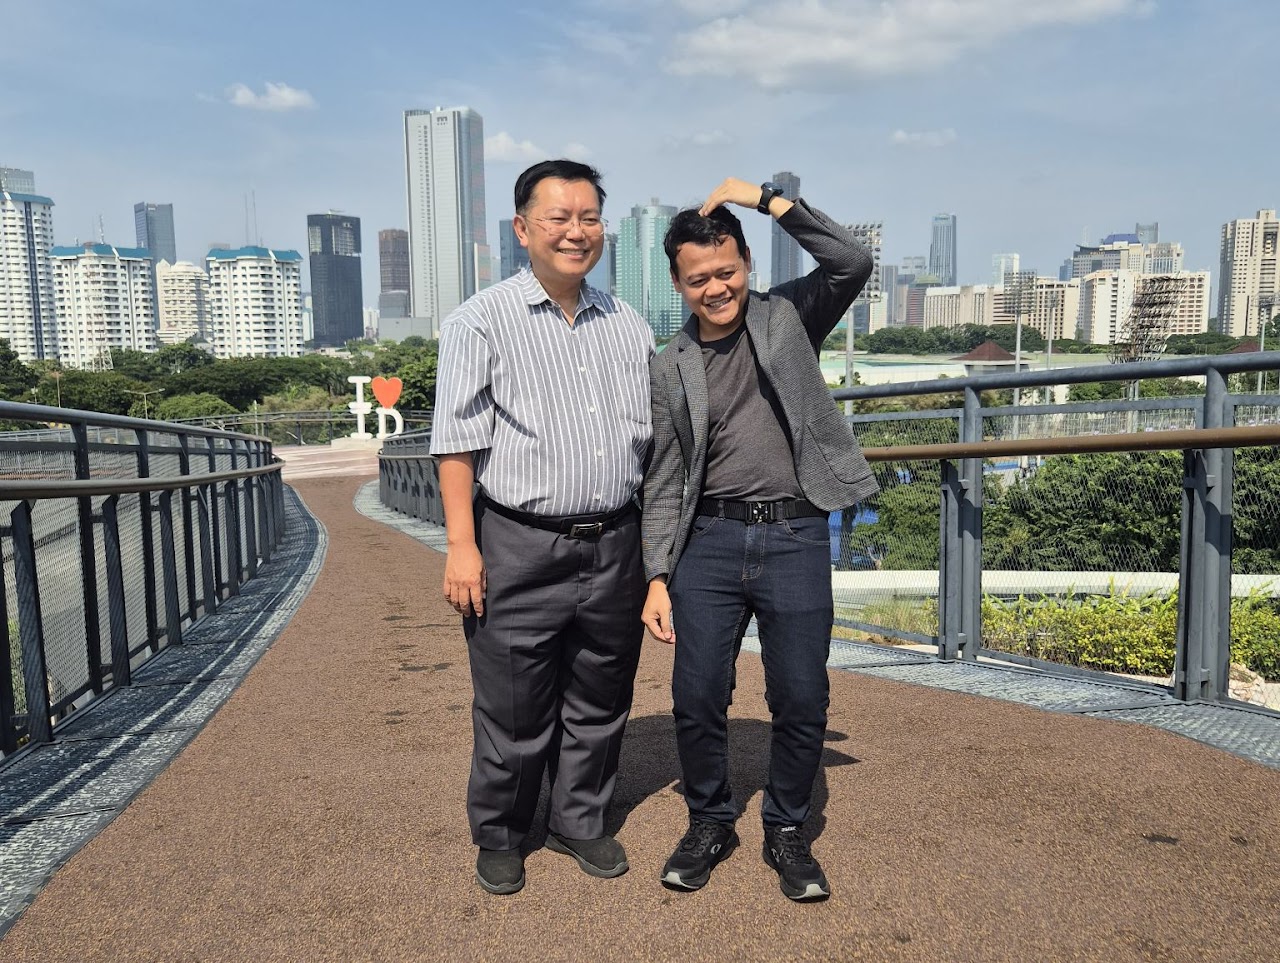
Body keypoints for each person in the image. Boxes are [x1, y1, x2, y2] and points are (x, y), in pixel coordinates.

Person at [640, 177, 878, 901]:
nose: (716, 288)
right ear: (678, 284)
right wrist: (656, 575)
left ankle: (787, 828)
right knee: (696, 695)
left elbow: (852, 261)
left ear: (746, 262)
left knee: (801, 696)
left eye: (727, 271)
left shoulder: (788, 318)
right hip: (708, 541)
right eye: (698, 279)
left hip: (795, 534)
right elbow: (665, 477)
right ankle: (710, 821)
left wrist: (766, 198)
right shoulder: (670, 364)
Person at [431, 159, 654, 896]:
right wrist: (461, 545)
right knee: (512, 701)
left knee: (601, 692)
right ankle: (502, 832)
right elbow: (455, 443)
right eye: (559, 217)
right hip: (518, 540)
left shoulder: (629, 324)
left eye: (589, 217)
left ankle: (578, 819)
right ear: (523, 229)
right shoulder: (479, 320)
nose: (576, 231)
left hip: (615, 538)